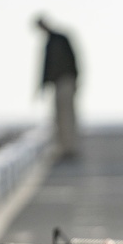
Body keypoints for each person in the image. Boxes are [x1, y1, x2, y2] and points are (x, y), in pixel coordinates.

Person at [36, 16, 79, 160]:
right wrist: (42, 85)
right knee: (58, 117)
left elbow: (73, 60)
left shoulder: (60, 39)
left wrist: (75, 80)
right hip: (57, 83)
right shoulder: (50, 42)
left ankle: (70, 148)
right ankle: (63, 148)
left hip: (66, 81)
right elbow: (46, 67)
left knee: (67, 116)